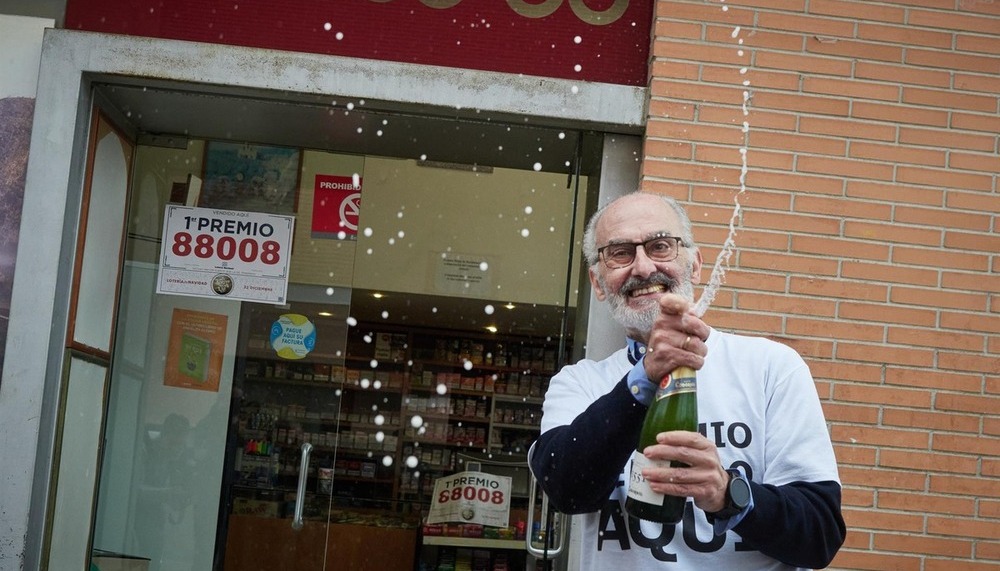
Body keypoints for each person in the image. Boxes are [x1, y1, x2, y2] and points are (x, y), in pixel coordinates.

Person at [529, 192, 845, 570]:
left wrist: (728, 494)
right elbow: (567, 489)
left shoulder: (771, 368)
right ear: (598, 284)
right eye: (620, 253)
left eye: (661, 246)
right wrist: (645, 376)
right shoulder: (579, 383)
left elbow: (819, 537)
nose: (643, 268)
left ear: (694, 265)